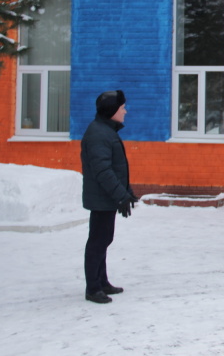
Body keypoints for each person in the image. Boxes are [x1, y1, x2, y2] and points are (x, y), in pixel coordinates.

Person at [81, 90, 138, 304]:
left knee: (104, 239)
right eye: (122, 107)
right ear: (112, 110)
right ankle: (93, 287)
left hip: (106, 197)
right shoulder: (98, 134)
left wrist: (126, 192)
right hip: (101, 198)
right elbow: (103, 171)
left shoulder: (105, 130)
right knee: (97, 241)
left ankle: (102, 282)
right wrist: (119, 195)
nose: (125, 110)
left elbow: (115, 168)